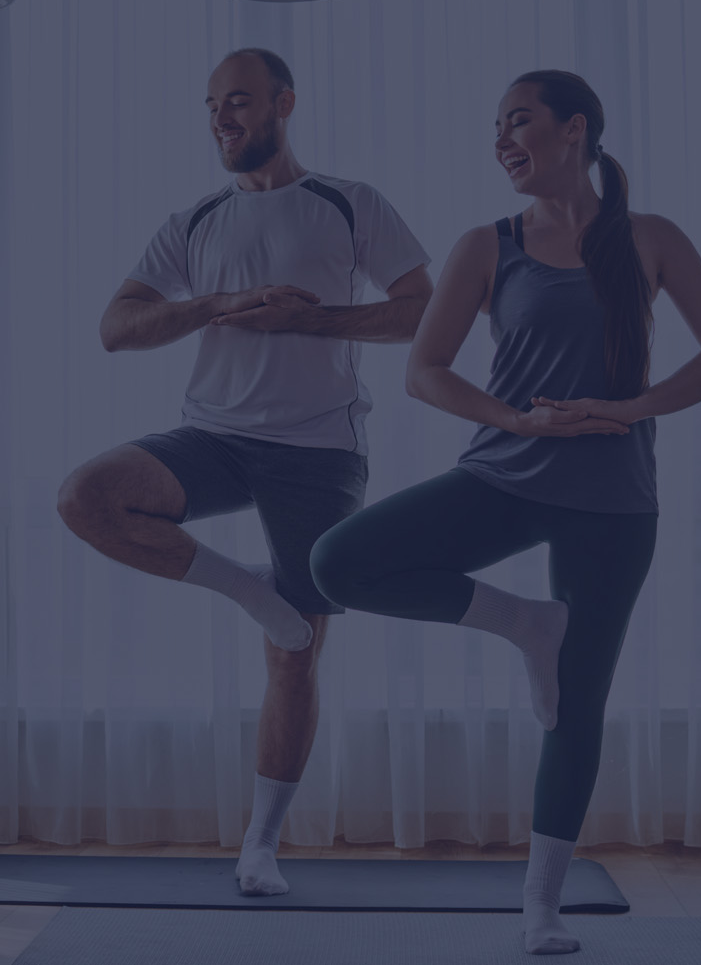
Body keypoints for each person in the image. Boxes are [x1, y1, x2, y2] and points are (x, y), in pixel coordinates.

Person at [309, 69, 701, 955]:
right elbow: (424, 370)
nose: (502, 139)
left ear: (574, 130)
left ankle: (540, 908)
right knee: (338, 563)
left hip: (616, 499)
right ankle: (522, 625)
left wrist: (631, 409)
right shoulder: (486, 244)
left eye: (519, 121)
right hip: (504, 472)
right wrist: (515, 418)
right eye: (495, 127)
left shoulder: (649, 238)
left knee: (574, 707)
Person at [56, 47, 432, 896]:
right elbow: (117, 327)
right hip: (212, 436)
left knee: (294, 656)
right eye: (211, 105)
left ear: (283, 103)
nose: (221, 117)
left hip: (319, 450)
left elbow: (420, 313)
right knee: (87, 496)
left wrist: (309, 325)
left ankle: (259, 846)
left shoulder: (348, 202)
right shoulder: (194, 221)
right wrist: (219, 305)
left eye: (238, 101)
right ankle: (247, 589)